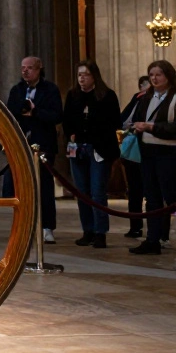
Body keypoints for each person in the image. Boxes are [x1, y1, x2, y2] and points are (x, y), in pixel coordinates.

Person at [62, 61, 121, 248]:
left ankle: (100, 232)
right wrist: (71, 133)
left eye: (85, 74)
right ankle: (87, 230)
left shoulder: (107, 96)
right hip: (78, 148)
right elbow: (67, 120)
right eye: (79, 74)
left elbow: (114, 121)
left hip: (99, 149)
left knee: (97, 192)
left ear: (94, 76)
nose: (81, 78)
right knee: (82, 192)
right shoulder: (73, 95)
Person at [4, 56, 62, 243]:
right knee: (20, 187)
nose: (25, 71)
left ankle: (47, 227)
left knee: (44, 186)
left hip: (43, 144)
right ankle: (23, 225)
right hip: (21, 143)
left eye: (29, 68)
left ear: (39, 69)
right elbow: (9, 114)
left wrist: (36, 112)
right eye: (23, 68)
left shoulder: (50, 90)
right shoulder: (17, 90)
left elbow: (57, 116)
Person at [126, 60, 176, 255]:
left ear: (168, 76)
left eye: (158, 75)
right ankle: (152, 240)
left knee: (171, 196)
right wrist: (137, 126)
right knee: (152, 198)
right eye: (151, 75)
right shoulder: (146, 97)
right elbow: (136, 117)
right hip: (148, 152)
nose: (154, 78)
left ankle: (162, 236)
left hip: (169, 153)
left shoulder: (174, 97)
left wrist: (152, 127)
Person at [120, 76, 151, 238]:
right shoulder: (138, 98)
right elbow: (123, 120)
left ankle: (158, 233)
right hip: (135, 150)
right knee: (134, 191)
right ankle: (135, 226)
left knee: (155, 193)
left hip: (156, 150)